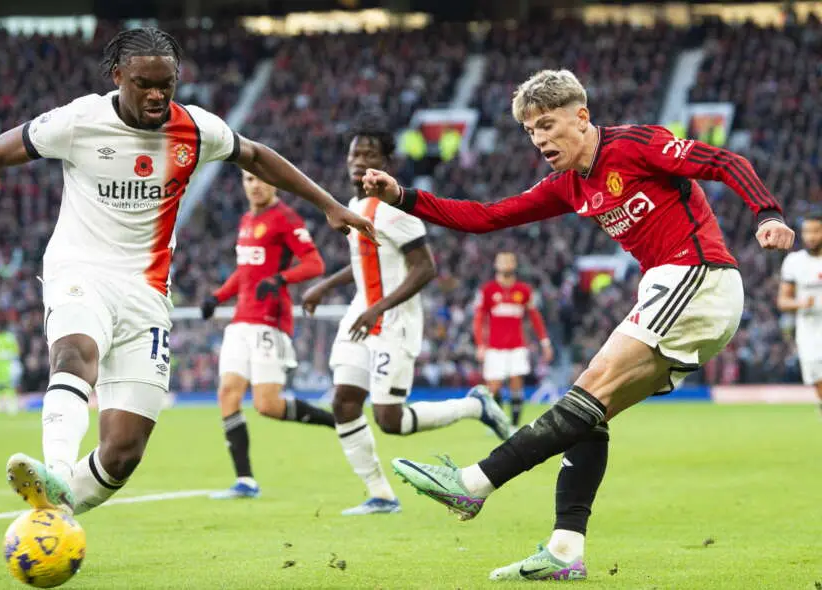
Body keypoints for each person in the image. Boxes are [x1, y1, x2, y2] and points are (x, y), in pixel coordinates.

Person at [0, 27, 373, 516]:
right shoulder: (79, 121)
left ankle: (52, 514)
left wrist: (329, 205)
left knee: (124, 451)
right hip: (79, 268)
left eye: (166, 84)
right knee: (75, 354)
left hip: (147, 291)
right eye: (144, 83)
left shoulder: (195, 128)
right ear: (118, 76)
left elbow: (255, 155)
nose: (156, 95)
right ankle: (57, 471)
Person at [363, 69, 793, 580]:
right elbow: (488, 215)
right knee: (588, 413)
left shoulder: (635, 144)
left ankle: (474, 482)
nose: (539, 138)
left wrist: (766, 213)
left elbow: (723, 160)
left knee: (585, 394)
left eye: (546, 124)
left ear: (581, 116)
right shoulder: (568, 184)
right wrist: (404, 197)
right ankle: (565, 550)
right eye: (530, 131)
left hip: (697, 275)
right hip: (674, 289)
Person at [301, 115, 513, 516]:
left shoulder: (397, 212)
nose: (360, 160)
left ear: (386, 164)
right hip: (360, 315)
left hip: (394, 321)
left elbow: (425, 267)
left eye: (370, 154)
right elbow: (367, 262)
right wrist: (325, 286)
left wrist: (378, 307)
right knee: (344, 402)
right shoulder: (352, 207)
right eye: (355, 153)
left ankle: (475, 406)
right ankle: (379, 493)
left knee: (389, 420)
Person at [201, 171, 333, 499]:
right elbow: (245, 271)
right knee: (227, 393)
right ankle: (245, 480)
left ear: (273, 182)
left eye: (260, 179)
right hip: (240, 320)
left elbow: (315, 264)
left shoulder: (286, 218)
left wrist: (280, 279)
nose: (255, 184)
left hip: (269, 320)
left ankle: (336, 421)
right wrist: (217, 296)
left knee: (267, 405)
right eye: (247, 179)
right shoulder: (246, 219)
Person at [474, 251, 553, 425]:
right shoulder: (488, 290)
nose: (506, 264)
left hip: (517, 346)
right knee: (493, 388)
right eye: (502, 261)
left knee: (516, 384)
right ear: (496, 264)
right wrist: (480, 344)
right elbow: (479, 319)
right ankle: (500, 423)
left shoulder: (523, 290)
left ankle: (515, 425)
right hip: (494, 347)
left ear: (514, 264)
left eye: (510, 261)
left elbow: (535, 317)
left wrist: (545, 342)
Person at [777, 211, 822, 415]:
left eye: (816, 231)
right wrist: (801, 303)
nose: (811, 236)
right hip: (809, 331)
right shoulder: (794, 262)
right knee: (816, 379)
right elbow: (783, 301)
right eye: (807, 231)